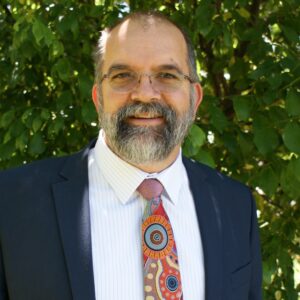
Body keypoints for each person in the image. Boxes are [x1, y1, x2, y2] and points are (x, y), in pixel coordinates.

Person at [0, 11, 262, 300]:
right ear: (98, 96)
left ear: (195, 99)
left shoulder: (236, 206)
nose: (145, 94)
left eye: (167, 75)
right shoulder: (11, 203)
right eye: (123, 75)